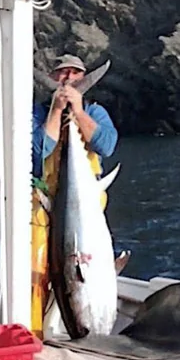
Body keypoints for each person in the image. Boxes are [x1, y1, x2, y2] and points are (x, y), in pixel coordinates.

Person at [29, 55, 118, 334]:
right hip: (45, 204)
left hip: (86, 202)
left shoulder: (95, 111)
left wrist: (78, 112)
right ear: (53, 79)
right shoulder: (36, 114)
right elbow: (37, 152)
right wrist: (56, 111)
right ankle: (34, 331)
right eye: (62, 74)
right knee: (37, 268)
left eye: (75, 74)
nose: (68, 79)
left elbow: (107, 145)